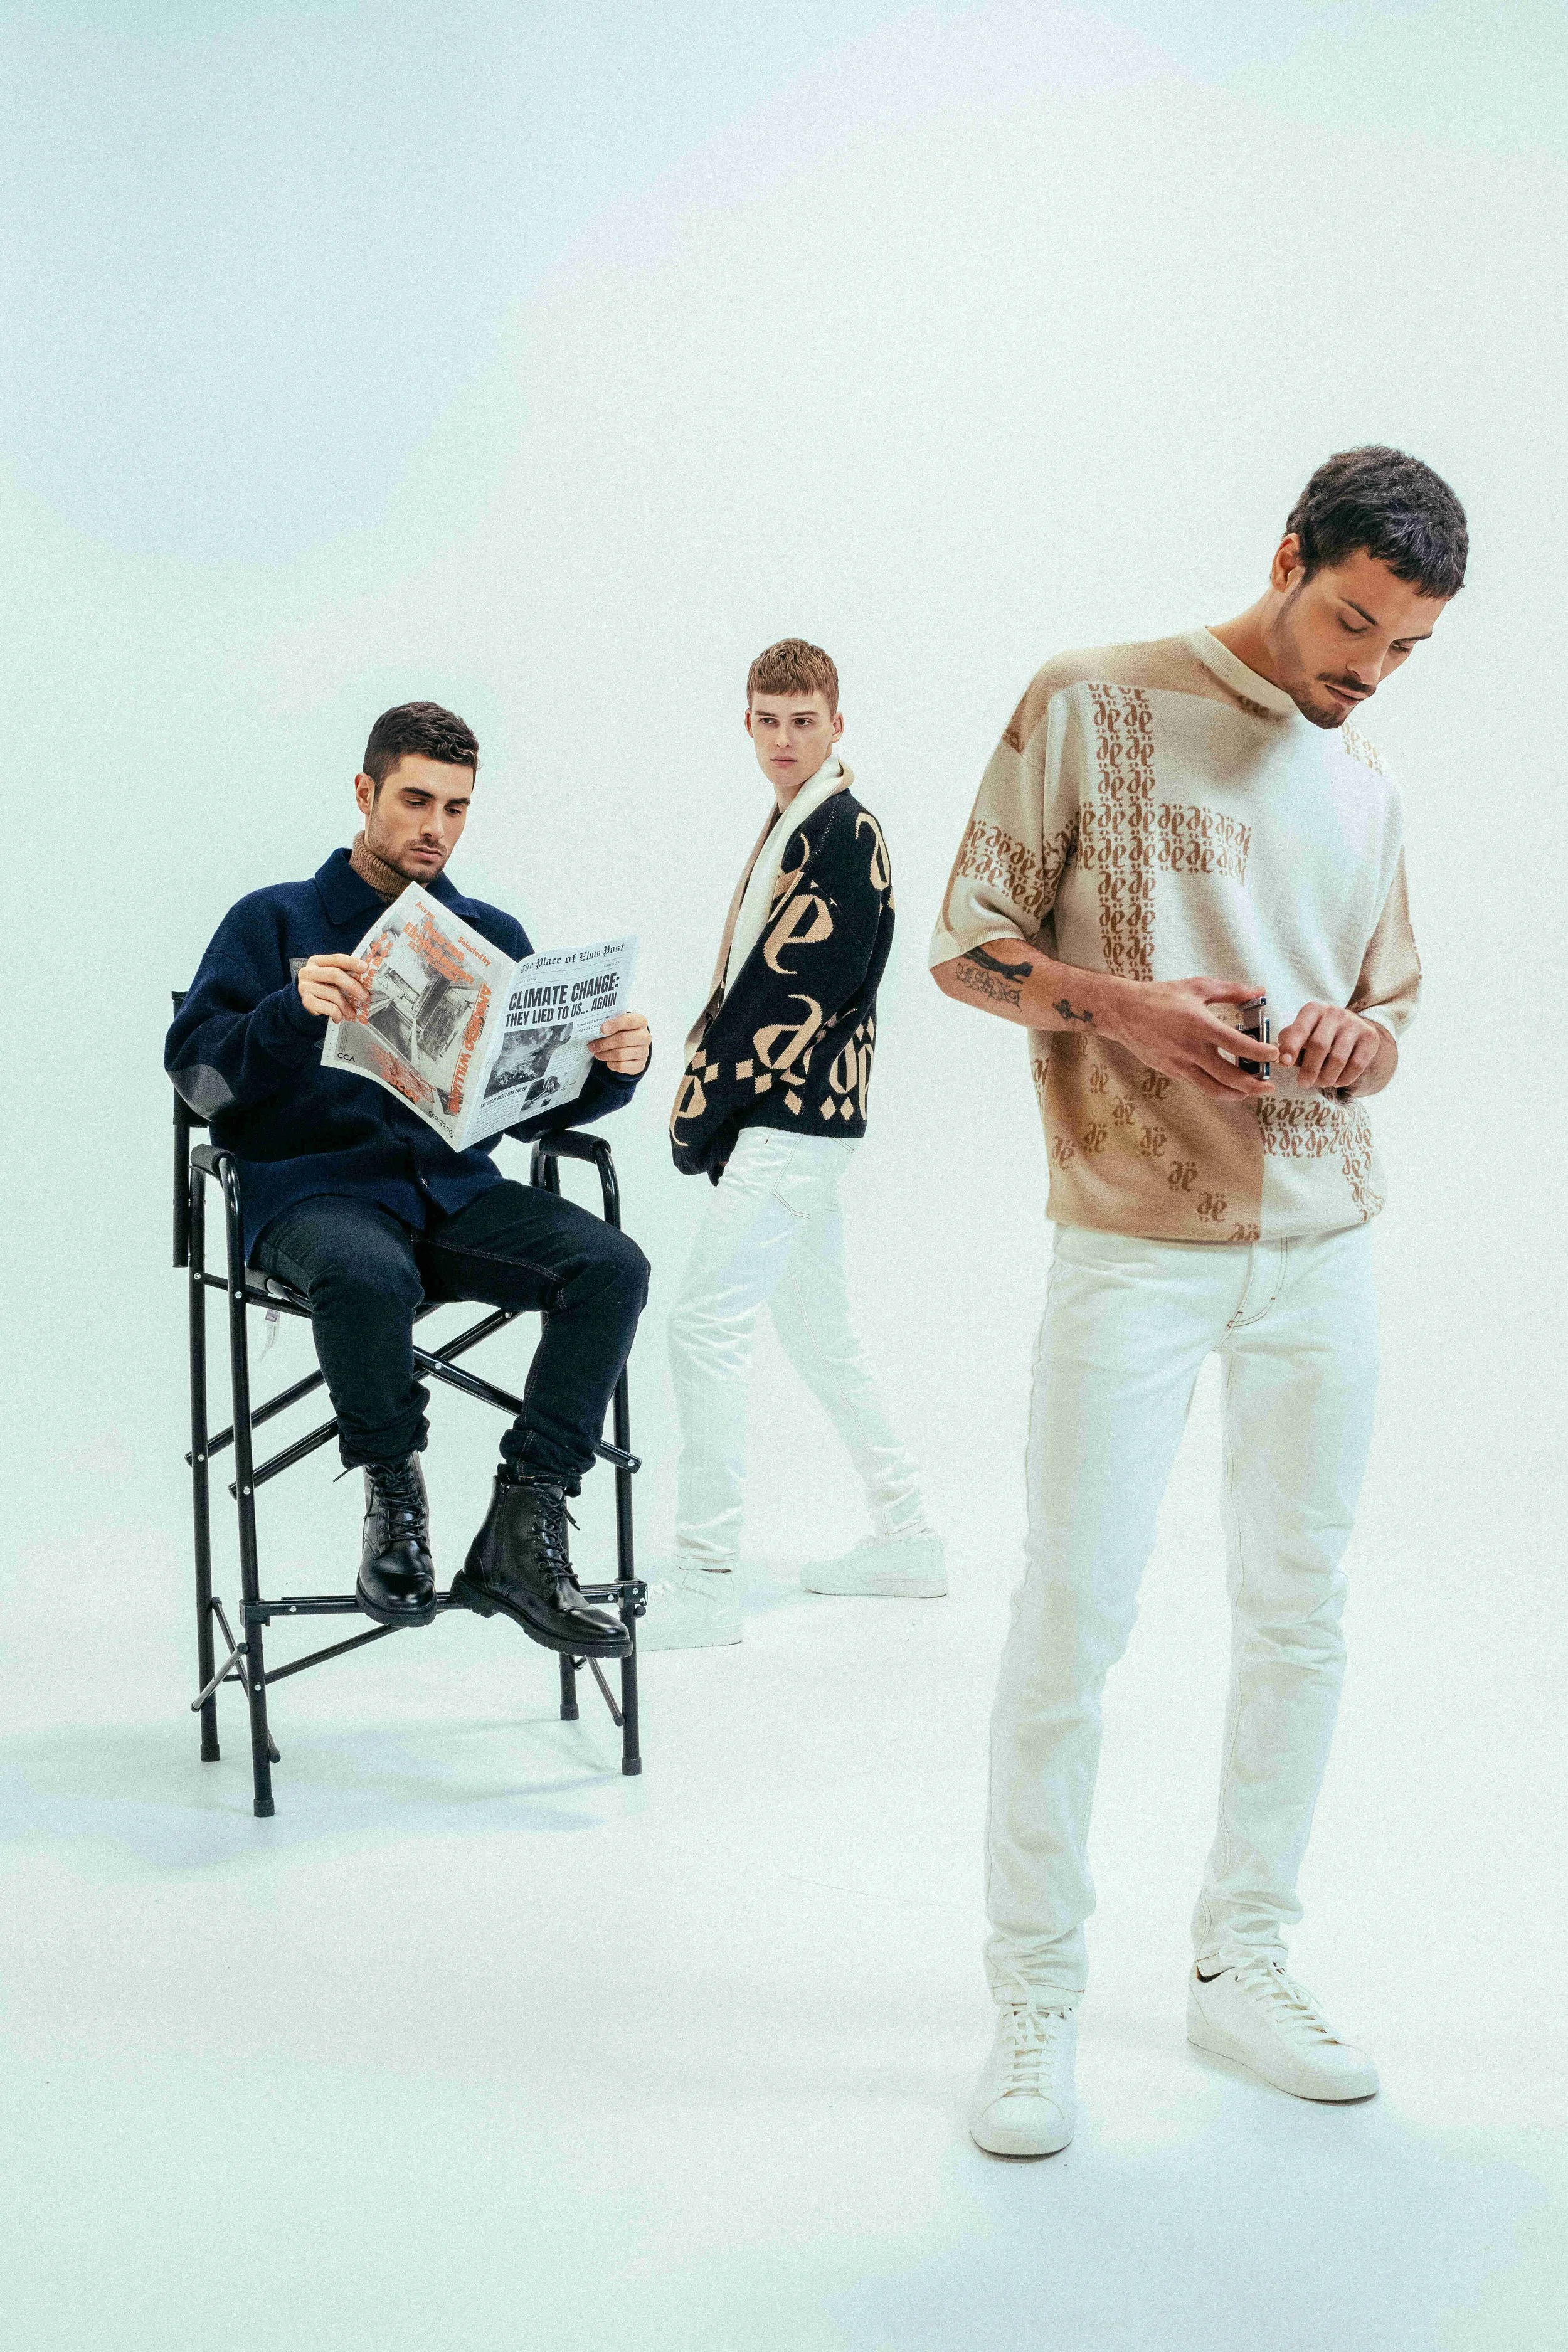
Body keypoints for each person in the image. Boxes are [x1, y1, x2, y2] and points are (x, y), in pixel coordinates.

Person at [930, 448, 1466, 2156]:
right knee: (1074, 1613)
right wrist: (1117, 1006)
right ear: (1286, 554)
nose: (1364, 668)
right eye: (1350, 621)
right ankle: (1033, 1990)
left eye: (1403, 645)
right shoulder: (1090, 702)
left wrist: (1355, 1043)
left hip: (1324, 1245)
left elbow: (1383, 1011)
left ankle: (1243, 1957)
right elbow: (962, 944)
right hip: (1131, 1243)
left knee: (1296, 1609)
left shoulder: (1365, 781)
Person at [166, 701, 652, 1658]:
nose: (437, 828)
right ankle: (394, 1498)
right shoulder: (275, 920)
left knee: (612, 1265)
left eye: (458, 808)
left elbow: (524, 1103)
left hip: (453, 1194)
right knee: (366, 1274)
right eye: (417, 800)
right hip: (316, 1196)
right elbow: (199, 1079)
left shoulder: (485, 930)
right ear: (366, 792)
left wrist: (608, 1072)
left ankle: (527, 1518)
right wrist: (286, 1011)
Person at [645, 638, 944, 1651]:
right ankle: (908, 1533)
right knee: (822, 1334)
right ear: (747, 722)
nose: (784, 738)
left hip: (791, 1122)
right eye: (768, 719)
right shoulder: (802, 823)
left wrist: (700, 1106)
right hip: (803, 1124)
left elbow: (790, 989)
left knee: (702, 1329)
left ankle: (708, 1579)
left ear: (836, 723)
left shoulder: (841, 830)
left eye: (803, 720)